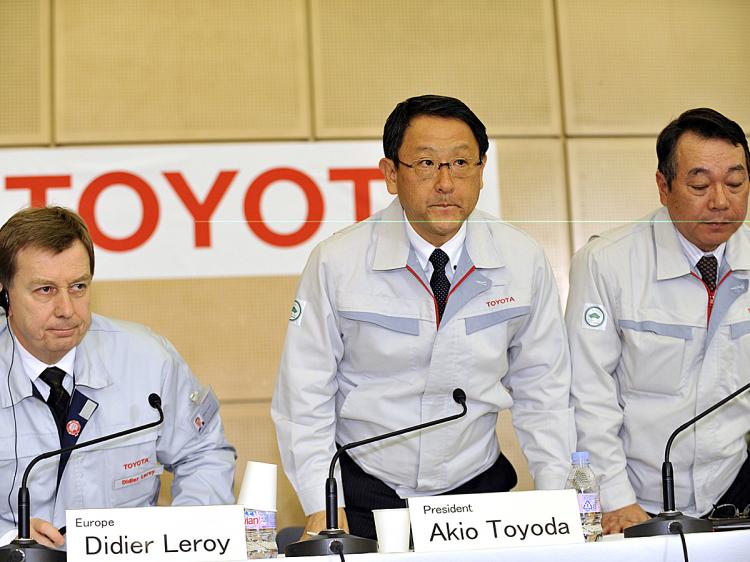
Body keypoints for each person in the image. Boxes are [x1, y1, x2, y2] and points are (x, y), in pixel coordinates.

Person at [272, 94, 574, 539]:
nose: (446, 183)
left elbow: (545, 392)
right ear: (391, 174)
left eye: (461, 163)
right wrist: (322, 502)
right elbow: (305, 394)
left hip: (474, 489)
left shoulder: (521, 259)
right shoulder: (338, 261)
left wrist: (558, 502)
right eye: (426, 164)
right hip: (363, 492)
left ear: (482, 170)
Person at [0, 206, 236, 548]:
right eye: (45, 290)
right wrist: (7, 538)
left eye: (78, 286)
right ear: (5, 293)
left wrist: (185, 539)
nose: (67, 309)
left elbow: (205, 453)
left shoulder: (148, 359)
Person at [566, 107, 750, 533]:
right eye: (700, 184)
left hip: (734, 485)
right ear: (663, 187)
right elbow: (587, 393)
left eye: (736, 183)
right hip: (637, 496)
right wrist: (615, 498)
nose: (720, 200)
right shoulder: (607, 263)